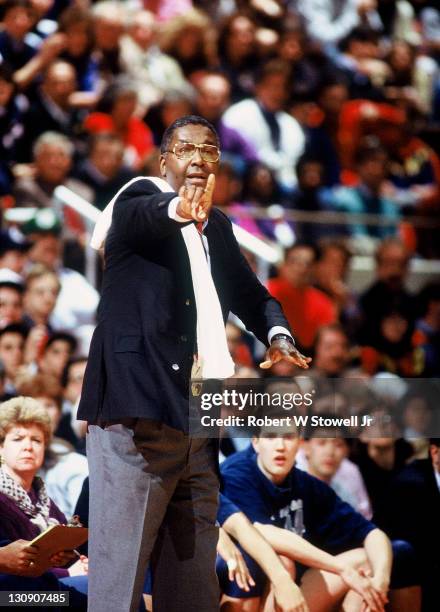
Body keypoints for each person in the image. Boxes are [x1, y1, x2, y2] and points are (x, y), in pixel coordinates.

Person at [77, 114, 311, 612]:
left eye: (209, 150)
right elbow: (147, 217)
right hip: (139, 413)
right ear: (165, 160)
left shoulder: (218, 227)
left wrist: (277, 333)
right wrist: (178, 206)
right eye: (186, 149)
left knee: (193, 583)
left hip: (200, 420)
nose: (198, 158)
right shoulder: (137, 200)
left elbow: (252, 295)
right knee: (119, 582)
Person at [221, 425, 421, 611]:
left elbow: (372, 533)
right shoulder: (237, 473)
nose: (280, 446)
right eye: (271, 437)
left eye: (289, 438)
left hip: (303, 583)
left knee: (369, 564)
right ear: (255, 442)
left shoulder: (308, 484)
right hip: (260, 583)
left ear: (299, 443)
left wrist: (381, 582)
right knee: (284, 562)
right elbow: (260, 531)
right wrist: (342, 569)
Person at [0, 396, 88, 608]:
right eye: (18, 439)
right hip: (10, 598)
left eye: (36, 440)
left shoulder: (45, 501)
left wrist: (73, 559)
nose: (28, 447)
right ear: (1, 447)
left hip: (49, 588)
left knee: (116, 594)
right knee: (97, 595)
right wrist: (67, 571)